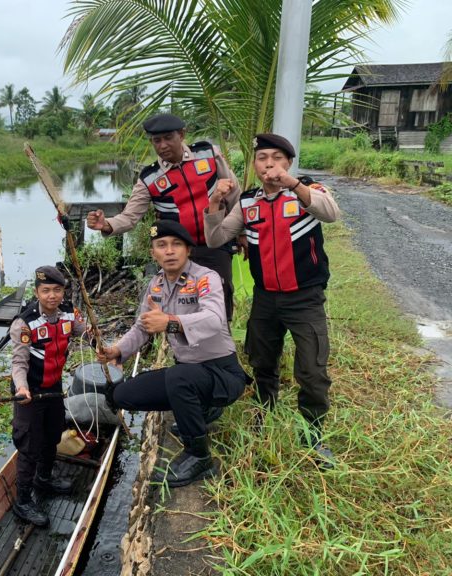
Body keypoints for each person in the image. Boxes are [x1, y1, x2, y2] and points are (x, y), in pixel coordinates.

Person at [203, 133, 341, 467]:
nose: (269, 165)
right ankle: (266, 411)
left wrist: (294, 184)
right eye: (262, 158)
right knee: (262, 361)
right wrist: (214, 203)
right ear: (254, 164)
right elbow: (216, 238)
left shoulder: (309, 190)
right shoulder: (248, 202)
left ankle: (312, 434)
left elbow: (331, 213)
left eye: (277, 158)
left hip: (305, 298)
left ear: (288, 163)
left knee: (312, 369)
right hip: (266, 299)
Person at [98, 220, 249, 487]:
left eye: (176, 244)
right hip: (189, 374)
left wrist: (169, 322)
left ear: (188, 250)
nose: (169, 251)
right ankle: (202, 408)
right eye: (161, 245)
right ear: (153, 252)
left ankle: (199, 456)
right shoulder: (155, 285)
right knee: (122, 395)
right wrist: (118, 349)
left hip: (222, 374)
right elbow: (142, 328)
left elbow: (215, 319)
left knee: (180, 377)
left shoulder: (206, 278)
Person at [86, 113, 242, 321]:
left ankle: (220, 349)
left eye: (168, 138)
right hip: (177, 253)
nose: (162, 145)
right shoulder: (149, 177)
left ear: (182, 135)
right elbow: (130, 217)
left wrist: (242, 232)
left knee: (219, 305)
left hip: (216, 245)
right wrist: (106, 224)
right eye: (156, 141)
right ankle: (182, 353)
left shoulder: (207, 154)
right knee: (180, 307)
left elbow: (234, 194)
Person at [9, 265, 86, 526]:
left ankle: (44, 478)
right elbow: (19, 363)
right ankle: (22, 501)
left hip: (53, 388)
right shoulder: (25, 322)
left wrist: (100, 343)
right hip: (29, 391)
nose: (51, 296)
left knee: (53, 434)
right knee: (29, 445)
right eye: (46, 291)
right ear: (37, 292)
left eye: (56, 290)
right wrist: (21, 388)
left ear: (63, 291)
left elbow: (83, 331)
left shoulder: (68, 313)